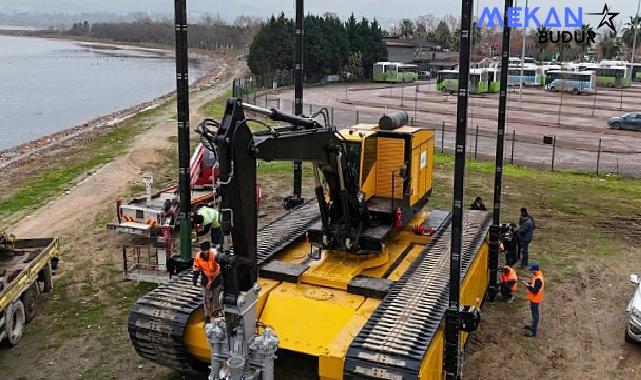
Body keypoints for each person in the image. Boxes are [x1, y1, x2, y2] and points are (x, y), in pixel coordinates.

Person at [193, 241, 222, 321]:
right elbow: (196, 267)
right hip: (205, 279)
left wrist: (211, 281)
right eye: (204, 250)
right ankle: (207, 316)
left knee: (216, 299)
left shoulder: (215, 255)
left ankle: (216, 315)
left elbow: (218, 270)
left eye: (207, 250)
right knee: (206, 299)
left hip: (216, 279)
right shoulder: (198, 256)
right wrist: (195, 278)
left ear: (209, 249)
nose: (205, 252)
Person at [524, 263, 544, 337]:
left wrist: (529, 287)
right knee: (534, 314)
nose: (531, 272)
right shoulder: (538, 275)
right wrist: (530, 283)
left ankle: (533, 331)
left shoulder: (538, 279)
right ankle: (533, 327)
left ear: (535, 270)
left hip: (535, 299)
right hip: (534, 298)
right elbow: (535, 284)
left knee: (535, 315)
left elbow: (535, 290)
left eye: (532, 271)